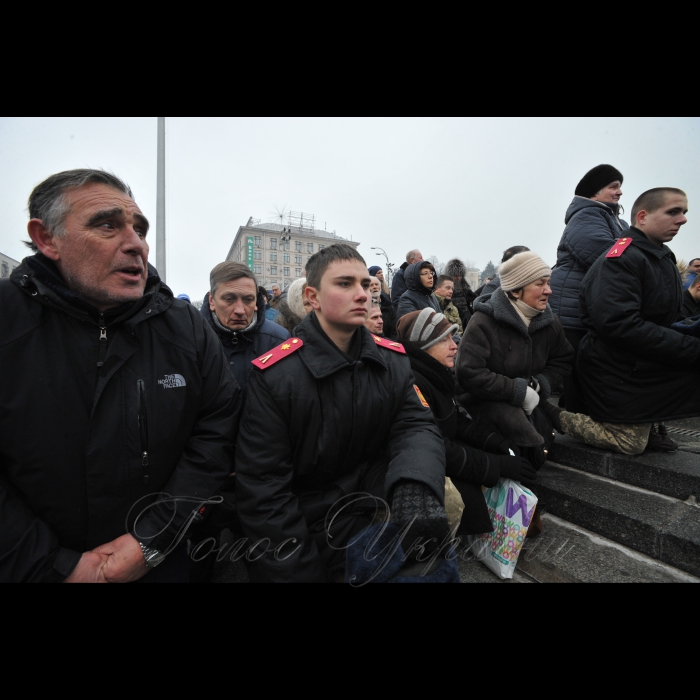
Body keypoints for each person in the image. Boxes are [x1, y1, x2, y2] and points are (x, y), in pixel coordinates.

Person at [0, 169, 241, 583]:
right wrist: (53, 565)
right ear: (46, 238)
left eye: (140, 229)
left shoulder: (185, 327)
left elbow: (217, 433)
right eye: (107, 225)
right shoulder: (7, 320)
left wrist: (153, 539)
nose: (135, 244)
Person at [235, 244, 450, 583]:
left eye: (366, 284)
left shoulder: (391, 360)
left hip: (381, 510)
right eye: (345, 284)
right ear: (312, 298)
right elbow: (264, 493)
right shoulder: (275, 377)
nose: (362, 294)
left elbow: (416, 426)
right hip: (315, 533)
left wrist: (415, 484)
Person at [563, 188, 700, 454]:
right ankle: (551, 415)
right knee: (630, 443)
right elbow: (620, 325)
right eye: (673, 212)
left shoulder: (659, 256)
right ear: (642, 216)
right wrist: (689, 348)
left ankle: (650, 423)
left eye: (683, 212)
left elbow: (663, 317)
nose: (682, 219)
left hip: (639, 361)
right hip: (615, 368)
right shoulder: (622, 259)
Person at [398, 310, 538, 537]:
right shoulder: (413, 382)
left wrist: (494, 441)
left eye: (452, 337)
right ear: (423, 346)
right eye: (443, 339)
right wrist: (495, 465)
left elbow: (455, 420)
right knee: (466, 495)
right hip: (421, 466)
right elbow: (435, 446)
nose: (454, 345)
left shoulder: (434, 374)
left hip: (440, 455)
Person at [456, 252, 574, 460]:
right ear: (517, 291)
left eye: (548, 282)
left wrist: (540, 384)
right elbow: (468, 372)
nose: (549, 290)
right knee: (529, 449)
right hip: (486, 406)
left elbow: (563, 360)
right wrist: (517, 390)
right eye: (540, 284)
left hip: (532, 401)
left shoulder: (550, 322)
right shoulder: (483, 322)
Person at [550, 165, 629, 411]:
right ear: (594, 193)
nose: (620, 192)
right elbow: (607, 256)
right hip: (573, 308)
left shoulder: (614, 220)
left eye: (620, 186)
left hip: (592, 307)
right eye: (613, 186)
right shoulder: (586, 217)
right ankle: (576, 421)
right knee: (580, 366)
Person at [201, 263, 290, 397]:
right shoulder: (192, 340)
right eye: (229, 299)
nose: (240, 310)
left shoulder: (279, 341)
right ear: (212, 300)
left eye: (248, 300)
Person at [443, 259, 477, 329]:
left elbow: (472, 301)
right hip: (452, 320)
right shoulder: (444, 289)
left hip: (466, 320)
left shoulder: (466, 288)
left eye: (460, 275)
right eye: (455, 275)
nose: (458, 278)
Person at [369, 267, 397, 339]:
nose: (375, 287)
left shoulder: (389, 306)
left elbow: (394, 331)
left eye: (376, 284)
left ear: (380, 288)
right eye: (371, 285)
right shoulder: (364, 307)